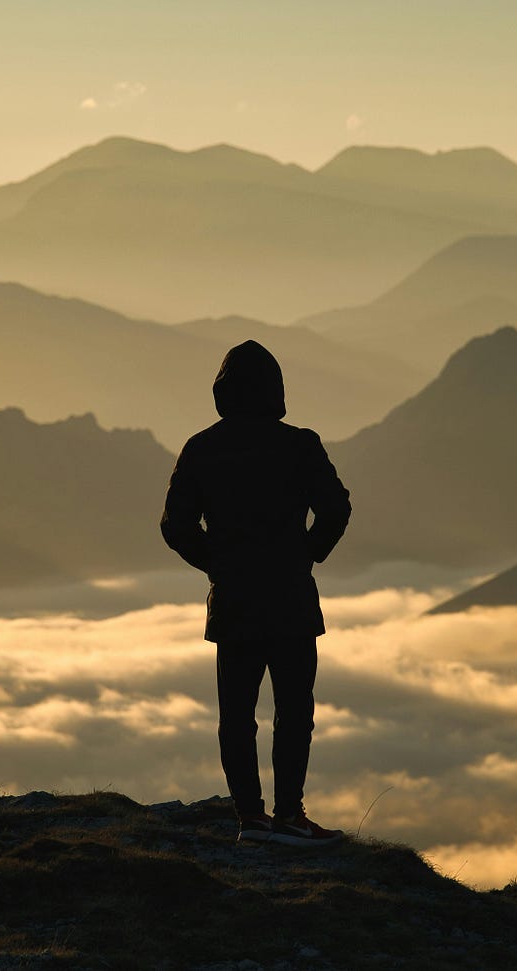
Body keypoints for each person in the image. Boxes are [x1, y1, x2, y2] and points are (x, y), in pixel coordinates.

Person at [160, 340, 351, 847]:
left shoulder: (202, 448)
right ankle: (289, 815)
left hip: (234, 601)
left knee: (237, 716)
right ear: (275, 390)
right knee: (294, 712)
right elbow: (336, 509)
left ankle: (251, 818)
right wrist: (307, 554)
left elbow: (175, 525)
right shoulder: (300, 445)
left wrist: (217, 566)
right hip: (290, 597)